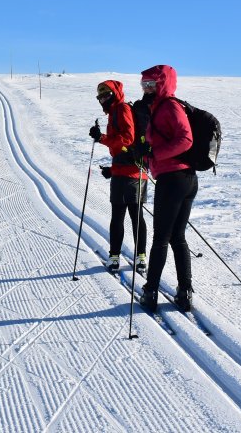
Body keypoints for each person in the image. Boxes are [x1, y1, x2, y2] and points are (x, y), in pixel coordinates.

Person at [138, 65, 197, 312]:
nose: (146, 88)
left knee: (162, 238)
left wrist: (155, 153)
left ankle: (151, 292)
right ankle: (185, 292)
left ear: (162, 84)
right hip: (182, 178)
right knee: (176, 237)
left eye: (151, 84)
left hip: (174, 179)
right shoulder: (161, 107)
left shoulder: (170, 106)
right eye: (144, 84)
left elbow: (186, 139)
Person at [88, 80, 147, 274]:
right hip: (131, 171)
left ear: (114, 94)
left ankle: (116, 258)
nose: (102, 99)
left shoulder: (121, 109)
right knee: (133, 215)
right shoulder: (116, 111)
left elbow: (127, 139)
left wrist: (101, 138)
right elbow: (124, 146)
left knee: (121, 216)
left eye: (106, 95)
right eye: (100, 97)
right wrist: (112, 171)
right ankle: (139, 258)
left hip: (130, 172)